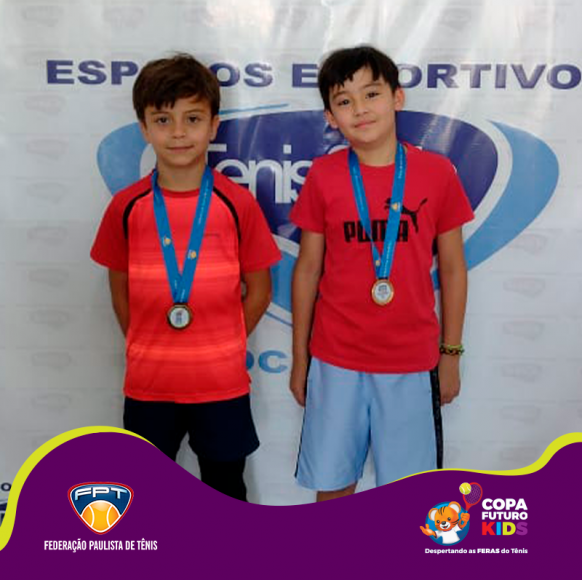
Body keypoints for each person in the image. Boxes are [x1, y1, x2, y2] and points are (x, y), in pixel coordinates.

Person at [91, 53, 281, 502]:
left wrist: (225, 341)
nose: (178, 132)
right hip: (149, 385)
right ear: (144, 128)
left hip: (221, 384)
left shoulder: (237, 204)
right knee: (145, 494)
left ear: (213, 126)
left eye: (192, 119)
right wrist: (144, 340)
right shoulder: (127, 206)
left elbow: (260, 289)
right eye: (163, 119)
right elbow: (119, 287)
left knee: (225, 489)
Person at [289, 45, 474, 501]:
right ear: (331, 117)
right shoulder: (324, 175)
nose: (360, 109)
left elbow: (453, 269)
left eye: (371, 93)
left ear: (397, 97)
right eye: (344, 100)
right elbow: (307, 269)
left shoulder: (437, 173)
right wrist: (300, 359)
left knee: (409, 497)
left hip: (410, 361)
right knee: (333, 487)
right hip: (335, 359)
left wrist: (450, 354)